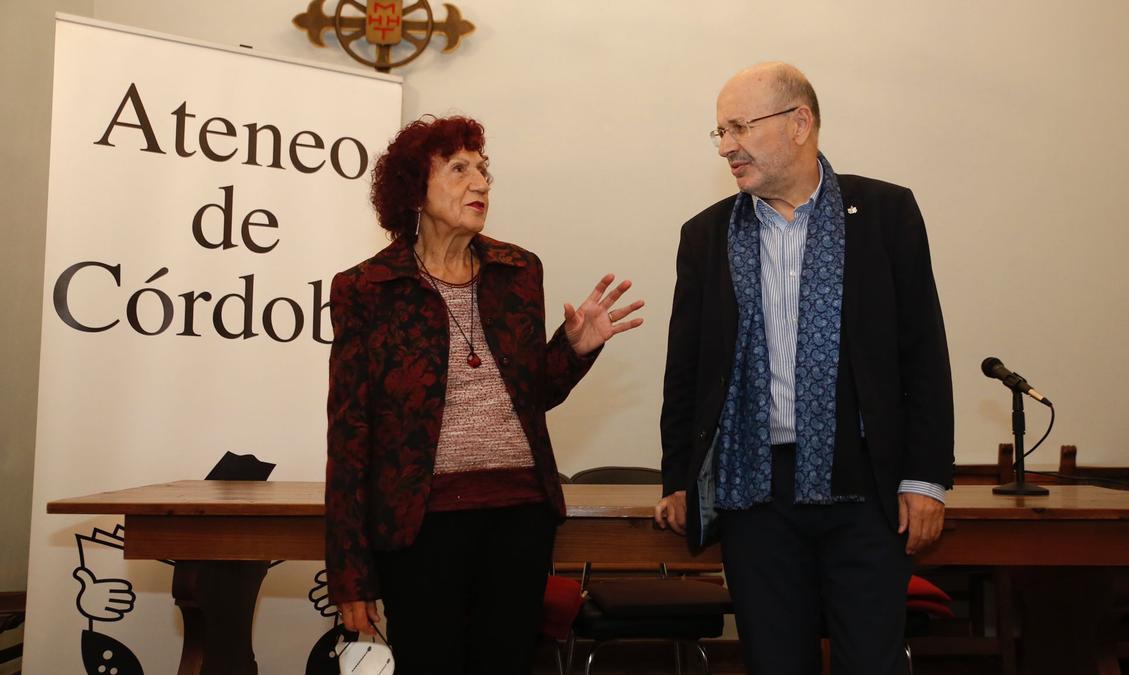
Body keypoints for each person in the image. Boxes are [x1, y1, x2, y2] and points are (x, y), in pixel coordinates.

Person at [655, 62, 954, 674]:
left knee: (871, 662)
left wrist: (925, 479)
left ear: (800, 123)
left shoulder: (886, 212)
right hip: (754, 495)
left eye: (740, 126)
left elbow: (923, 350)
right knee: (772, 662)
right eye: (720, 132)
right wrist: (679, 479)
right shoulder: (706, 235)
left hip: (867, 492)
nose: (727, 146)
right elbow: (686, 368)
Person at [325, 115, 643, 674]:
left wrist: (573, 348)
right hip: (420, 524)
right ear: (413, 191)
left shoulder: (518, 271)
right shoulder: (367, 288)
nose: (481, 184)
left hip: (519, 514)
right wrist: (351, 577)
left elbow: (532, 395)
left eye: (484, 171)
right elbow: (350, 436)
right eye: (459, 169)